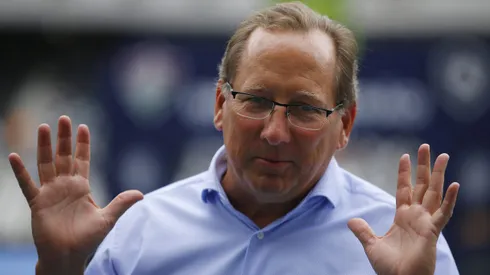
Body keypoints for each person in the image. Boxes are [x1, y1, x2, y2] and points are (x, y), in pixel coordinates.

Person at [8, 2, 460, 274]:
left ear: (345, 124)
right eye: (256, 100)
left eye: (304, 109)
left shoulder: (404, 247)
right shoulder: (139, 236)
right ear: (220, 105)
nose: (275, 132)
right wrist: (61, 268)